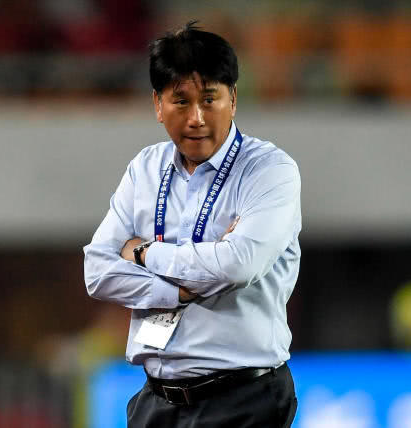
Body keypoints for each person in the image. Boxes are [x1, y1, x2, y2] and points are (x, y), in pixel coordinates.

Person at [83, 21, 301, 428]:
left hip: (243, 399)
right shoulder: (145, 168)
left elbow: (238, 265)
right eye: (180, 101)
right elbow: (97, 271)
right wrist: (178, 289)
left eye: (209, 99)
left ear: (233, 99)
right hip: (157, 401)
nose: (197, 118)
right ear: (157, 104)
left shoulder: (269, 170)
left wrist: (144, 252)